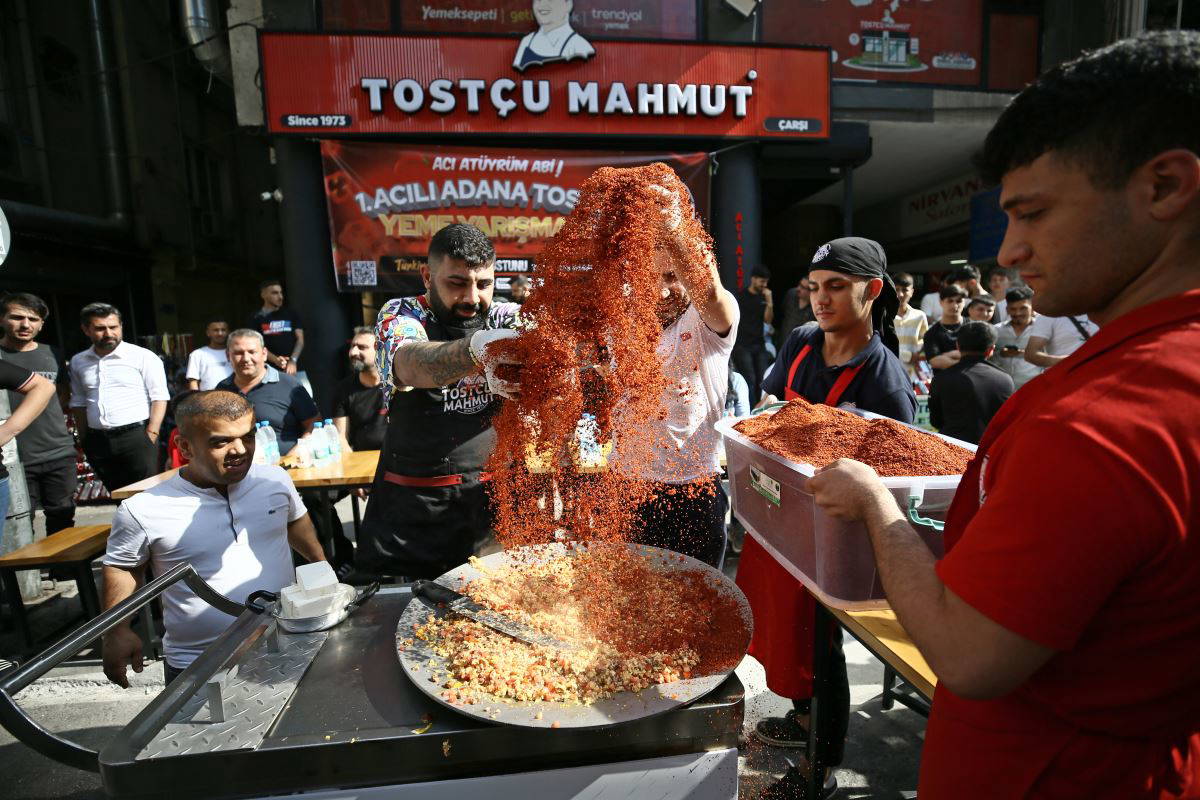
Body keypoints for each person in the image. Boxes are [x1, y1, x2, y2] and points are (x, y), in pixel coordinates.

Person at [805, 31, 1200, 797]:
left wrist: (878, 506)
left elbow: (971, 655)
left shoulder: (1106, 420)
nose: (1010, 252)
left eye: (1035, 212)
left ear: (1164, 187)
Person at [742, 237, 916, 800]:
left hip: (835, 536)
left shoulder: (885, 380)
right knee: (782, 630)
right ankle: (800, 720)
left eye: (837, 287)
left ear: (873, 291)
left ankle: (821, 766)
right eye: (815, 288)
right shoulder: (799, 342)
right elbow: (770, 409)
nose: (822, 299)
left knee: (822, 648)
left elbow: (895, 475)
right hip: (781, 517)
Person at [101, 390, 326, 687]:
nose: (239, 450)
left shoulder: (275, 480)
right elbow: (124, 566)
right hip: (198, 665)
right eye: (221, 441)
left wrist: (322, 570)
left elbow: (295, 522)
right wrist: (116, 631)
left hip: (285, 644)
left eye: (247, 436)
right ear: (185, 446)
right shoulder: (143, 508)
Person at [357, 223, 520, 580]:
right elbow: (411, 364)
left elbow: (549, 335)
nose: (472, 299)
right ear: (427, 276)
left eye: (484, 284)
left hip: (488, 503)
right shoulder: (401, 314)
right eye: (457, 283)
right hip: (414, 513)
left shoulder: (502, 316)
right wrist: (479, 351)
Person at [611, 180, 739, 568]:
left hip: (693, 493)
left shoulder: (706, 320)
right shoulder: (619, 319)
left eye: (672, 277)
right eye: (650, 277)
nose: (662, 291)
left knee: (695, 617)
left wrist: (676, 229)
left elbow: (713, 296)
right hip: (625, 491)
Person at [68, 303, 169, 492]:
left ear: (121, 326)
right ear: (86, 330)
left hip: (137, 438)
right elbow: (79, 402)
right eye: (100, 328)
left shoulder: (143, 357)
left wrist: (151, 434)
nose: (108, 333)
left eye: (113, 327)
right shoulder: (78, 361)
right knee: (117, 495)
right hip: (97, 441)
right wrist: (85, 438)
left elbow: (159, 397)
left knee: (146, 495)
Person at [0, 293, 78, 534]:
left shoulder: (53, 353)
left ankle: (62, 571)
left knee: (63, 515)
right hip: (14, 456)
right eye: (17, 317)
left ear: (42, 324)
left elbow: (63, 396)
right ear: (2, 319)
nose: (25, 325)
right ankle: (29, 573)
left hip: (56, 450)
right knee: (20, 522)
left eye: (33, 319)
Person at [215, 329, 318, 456]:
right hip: (237, 470)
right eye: (238, 353)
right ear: (227, 355)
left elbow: (314, 424)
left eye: (252, 352)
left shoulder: (289, 384)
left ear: (264, 354)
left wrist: (294, 455)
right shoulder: (222, 390)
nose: (246, 358)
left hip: (287, 467)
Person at [928, 321, 1013, 444]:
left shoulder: (941, 379)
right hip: (987, 451)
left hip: (950, 449)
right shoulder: (1005, 380)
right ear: (991, 350)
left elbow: (936, 421)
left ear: (957, 346)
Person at [332, 326, 386, 453]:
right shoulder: (343, 389)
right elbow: (341, 438)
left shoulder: (398, 384)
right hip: (363, 460)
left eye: (362, 347)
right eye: (352, 346)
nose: (353, 352)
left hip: (399, 461)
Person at [512, 0, 594, 71]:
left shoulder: (579, 46)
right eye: (538, 0)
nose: (542, 4)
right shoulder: (527, 41)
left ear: (568, 5)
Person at [731, 266, 773, 400]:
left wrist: (769, 303)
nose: (764, 285)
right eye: (762, 281)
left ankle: (762, 409)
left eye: (766, 282)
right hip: (743, 345)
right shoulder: (741, 296)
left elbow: (768, 320)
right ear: (753, 279)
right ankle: (749, 410)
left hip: (759, 344)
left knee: (763, 378)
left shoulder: (764, 298)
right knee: (750, 378)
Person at [248, 280, 305, 379]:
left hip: (295, 368)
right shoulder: (255, 318)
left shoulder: (291, 314)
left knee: (304, 394)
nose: (280, 297)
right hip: (268, 370)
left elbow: (300, 340)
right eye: (275, 293)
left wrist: (293, 360)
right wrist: (276, 360)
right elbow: (256, 344)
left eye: (281, 292)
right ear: (263, 295)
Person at [992, 285, 1042, 389]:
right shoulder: (996, 330)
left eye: (1023, 308)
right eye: (1013, 309)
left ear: (1033, 307)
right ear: (1007, 309)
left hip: (1033, 387)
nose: (1018, 313)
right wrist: (1000, 353)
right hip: (1002, 388)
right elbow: (988, 357)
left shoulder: (1042, 329)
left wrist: (1026, 353)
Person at [1024, 312, 1100, 369]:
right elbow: (1031, 354)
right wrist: (1065, 361)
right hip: (1066, 377)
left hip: (1097, 372)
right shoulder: (1048, 316)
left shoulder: (1099, 311)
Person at [892, 272, 929, 384]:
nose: (900, 294)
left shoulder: (920, 316)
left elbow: (925, 343)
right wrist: (908, 356)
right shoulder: (883, 316)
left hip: (913, 376)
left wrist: (919, 356)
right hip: (889, 373)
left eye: (904, 290)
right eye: (897, 289)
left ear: (912, 292)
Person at [923, 284, 968, 370]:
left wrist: (946, 355)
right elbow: (935, 361)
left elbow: (978, 355)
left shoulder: (973, 327)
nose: (955, 305)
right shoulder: (932, 333)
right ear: (941, 302)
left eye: (958, 301)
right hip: (944, 380)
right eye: (950, 301)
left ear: (964, 302)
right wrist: (965, 361)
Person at [184, 320, 233, 390]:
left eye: (223, 330)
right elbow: (193, 382)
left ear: (228, 332)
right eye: (216, 330)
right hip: (206, 399)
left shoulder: (236, 353)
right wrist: (196, 400)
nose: (220, 333)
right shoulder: (197, 354)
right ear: (208, 333)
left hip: (234, 398)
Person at [775, 274, 817, 349]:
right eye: (799, 284)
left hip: (799, 348)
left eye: (803, 287)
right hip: (782, 343)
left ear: (811, 292)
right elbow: (781, 313)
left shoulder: (815, 307)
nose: (798, 288)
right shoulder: (791, 294)